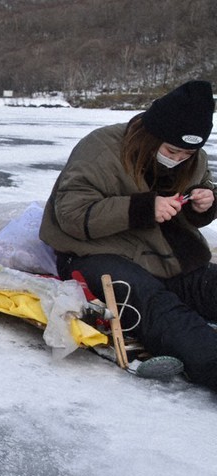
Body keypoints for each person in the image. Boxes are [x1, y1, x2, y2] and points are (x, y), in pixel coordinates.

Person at [40, 80, 217, 391]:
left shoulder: (194, 159)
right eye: (171, 150)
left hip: (162, 256)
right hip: (95, 253)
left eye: (187, 153)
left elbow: (197, 194)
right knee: (156, 306)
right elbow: (70, 214)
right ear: (152, 135)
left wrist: (205, 203)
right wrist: (142, 208)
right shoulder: (101, 148)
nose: (178, 158)